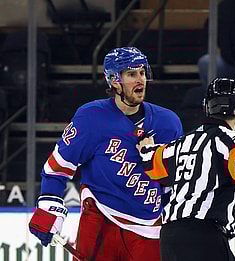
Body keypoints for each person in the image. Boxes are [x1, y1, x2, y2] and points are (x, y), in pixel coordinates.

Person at [28, 47, 183, 260]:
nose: (140, 80)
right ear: (114, 81)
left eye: (142, 73)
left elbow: (175, 183)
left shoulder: (168, 123)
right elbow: (58, 167)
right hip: (102, 220)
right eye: (131, 74)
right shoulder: (91, 118)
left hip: (149, 227)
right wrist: (49, 204)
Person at [137, 78, 235, 261]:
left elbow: (153, 164)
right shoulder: (230, 140)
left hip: (170, 237)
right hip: (205, 235)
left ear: (207, 106)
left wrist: (146, 148)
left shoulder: (184, 141)